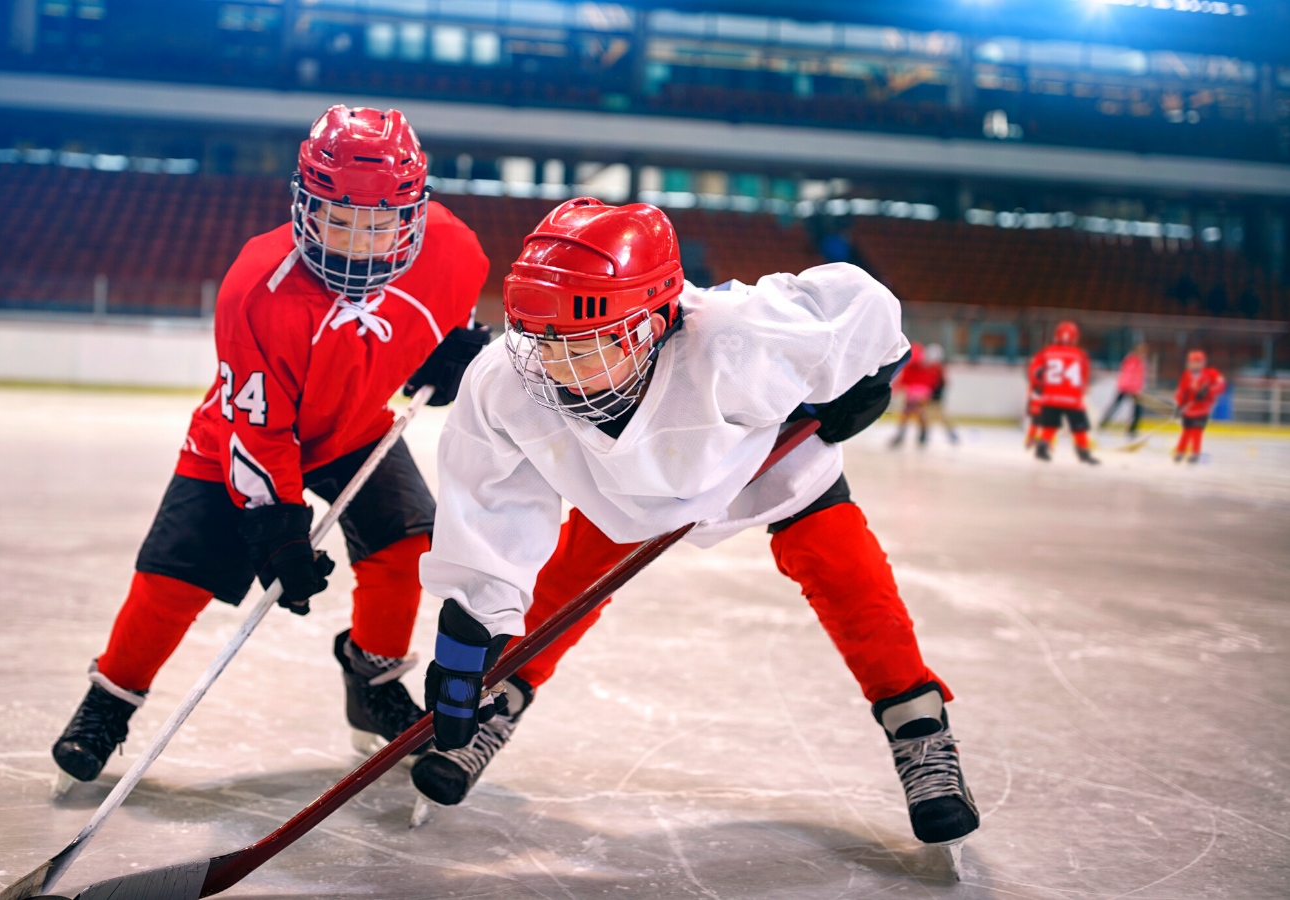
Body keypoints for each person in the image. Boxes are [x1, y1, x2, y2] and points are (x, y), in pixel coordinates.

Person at [412, 199, 980, 858]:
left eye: (581, 345)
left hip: (762, 464)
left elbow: (862, 304)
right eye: (542, 339)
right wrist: (472, 634)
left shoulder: (741, 337)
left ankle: (918, 726)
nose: (553, 367)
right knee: (566, 581)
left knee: (845, 572)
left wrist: (873, 371)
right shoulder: (506, 381)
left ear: (649, 327)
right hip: (627, 492)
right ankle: (501, 701)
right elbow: (490, 506)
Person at [49, 105, 491, 785]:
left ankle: (371, 681)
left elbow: (439, 326)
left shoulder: (457, 254)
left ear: (412, 215)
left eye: (377, 225)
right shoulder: (259, 286)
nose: (356, 244)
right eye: (338, 220)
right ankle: (109, 700)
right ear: (305, 206)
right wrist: (277, 525)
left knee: (407, 544)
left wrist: (444, 355)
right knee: (175, 577)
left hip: (355, 427)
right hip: (242, 436)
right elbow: (258, 428)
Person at [1027, 321, 1100, 464]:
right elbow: (1083, 378)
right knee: (1079, 428)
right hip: (1072, 399)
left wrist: (1040, 386)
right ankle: (1083, 453)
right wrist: (1081, 393)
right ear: (1075, 337)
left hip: (1050, 397)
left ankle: (1041, 448)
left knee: (1050, 425)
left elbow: (1034, 373)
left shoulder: (1046, 352)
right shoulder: (1080, 355)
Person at [1173, 350, 1226, 464]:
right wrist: (1179, 405)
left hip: (1203, 409)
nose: (1195, 364)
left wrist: (1208, 391)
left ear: (1203, 363)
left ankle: (1195, 453)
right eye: (1193, 362)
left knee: (1197, 430)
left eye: (1198, 362)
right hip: (1189, 409)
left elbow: (1221, 385)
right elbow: (1181, 391)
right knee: (1186, 430)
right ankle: (1180, 452)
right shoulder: (1186, 375)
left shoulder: (1211, 373)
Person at [888, 342, 939, 448]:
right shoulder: (918, 369)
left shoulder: (925, 369)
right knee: (915, 414)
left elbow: (902, 383)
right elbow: (902, 383)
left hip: (918, 396)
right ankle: (920, 435)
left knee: (913, 414)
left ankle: (907, 435)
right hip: (915, 396)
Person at [1099, 342, 1148, 436]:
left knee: (1137, 410)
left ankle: (1132, 429)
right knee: (1116, 406)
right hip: (1126, 388)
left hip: (1135, 389)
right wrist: (1130, 388)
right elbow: (1128, 375)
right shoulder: (1131, 359)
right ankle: (1103, 423)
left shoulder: (1141, 361)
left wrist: (1139, 389)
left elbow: (1141, 377)